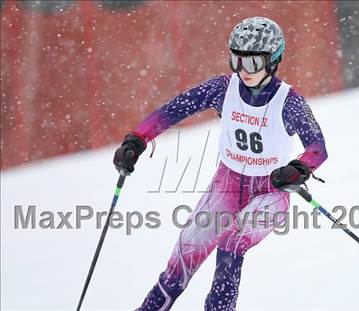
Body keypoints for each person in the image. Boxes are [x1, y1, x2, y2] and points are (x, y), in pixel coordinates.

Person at [113, 16, 327, 311]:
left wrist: (299, 168)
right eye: (237, 60)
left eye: (252, 63)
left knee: (232, 242)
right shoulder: (223, 88)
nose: (243, 70)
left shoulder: (287, 101)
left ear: (273, 61)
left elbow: (317, 147)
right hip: (227, 185)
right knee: (183, 257)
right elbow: (173, 110)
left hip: (270, 192)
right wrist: (136, 140)